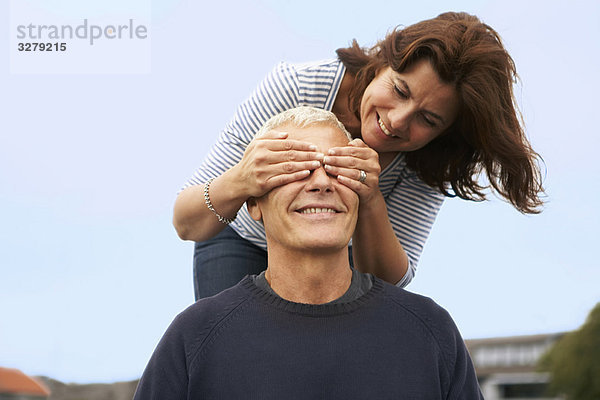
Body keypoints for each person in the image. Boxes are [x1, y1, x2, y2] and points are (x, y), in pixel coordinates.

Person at [173, 12, 545, 300]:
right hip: (243, 241)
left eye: (427, 119)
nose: (397, 121)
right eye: (400, 90)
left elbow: (388, 290)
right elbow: (186, 223)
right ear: (383, 59)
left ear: (444, 134)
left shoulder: (432, 160)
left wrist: (370, 199)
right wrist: (242, 179)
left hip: (341, 262)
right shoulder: (296, 86)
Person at [135, 108, 483, 399]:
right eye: (294, 168)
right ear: (253, 203)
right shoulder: (195, 337)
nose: (321, 183)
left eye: (337, 168)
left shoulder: (430, 332)